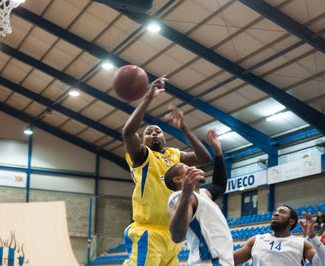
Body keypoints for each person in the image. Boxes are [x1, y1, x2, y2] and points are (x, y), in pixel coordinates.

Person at [122, 76, 212, 266]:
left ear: (165, 138)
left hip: (172, 235)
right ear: (143, 141)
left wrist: (184, 127)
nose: (154, 133)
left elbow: (205, 158)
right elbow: (128, 133)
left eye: (158, 131)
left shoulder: (174, 154)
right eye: (148, 132)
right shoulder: (141, 156)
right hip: (147, 231)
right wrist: (148, 97)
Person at [165, 129, 232, 265]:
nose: (193, 166)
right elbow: (177, 235)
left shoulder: (201, 194)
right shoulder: (180, 197)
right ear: (178, 179)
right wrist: (186, 194)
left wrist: (218, 152)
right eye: (186, 166)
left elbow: (219, 186)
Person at [233, 207, 325, 266]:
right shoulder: (256, 240)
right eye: (275, 212)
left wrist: (312, 237)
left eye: (282, 212)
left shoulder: (302, 243)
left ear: (291, 221)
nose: (275, 214)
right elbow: (230, 261)